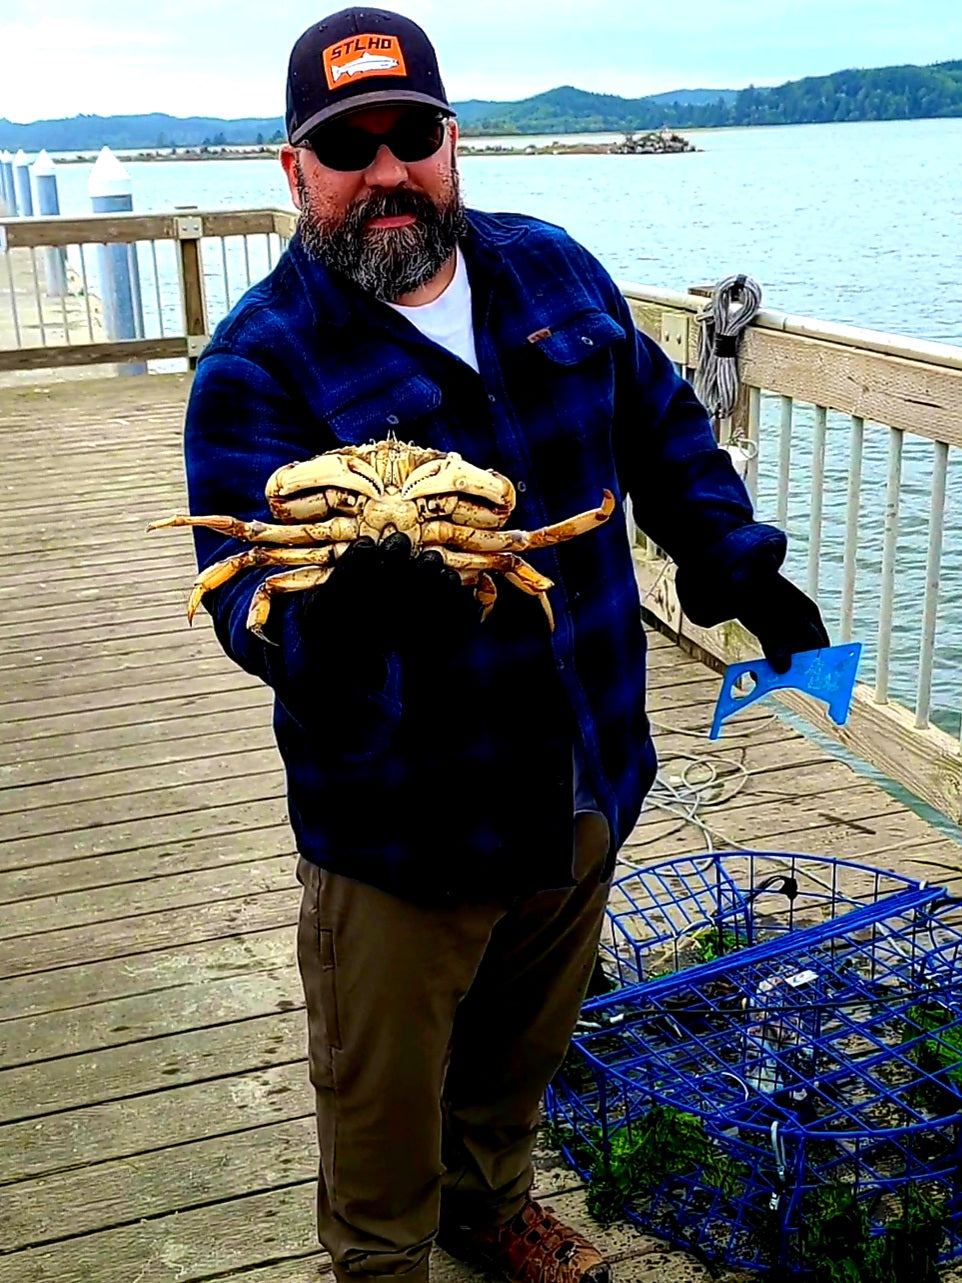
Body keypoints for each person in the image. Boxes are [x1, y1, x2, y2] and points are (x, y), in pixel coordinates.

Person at [181, 9, 829, 1283]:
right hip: (400, 821)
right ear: (292, 169)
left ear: (449, 140)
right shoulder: (256, 365)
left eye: (407, 135)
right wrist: (346, 622)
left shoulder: (550, 270)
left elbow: (658, 433)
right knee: (379, 1098)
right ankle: (384, 1260)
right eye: (343, 145)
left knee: (523, 1043)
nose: (383, 171)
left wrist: (738, 567)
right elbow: (241, 597)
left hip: (583, 763)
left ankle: (488, 1207)